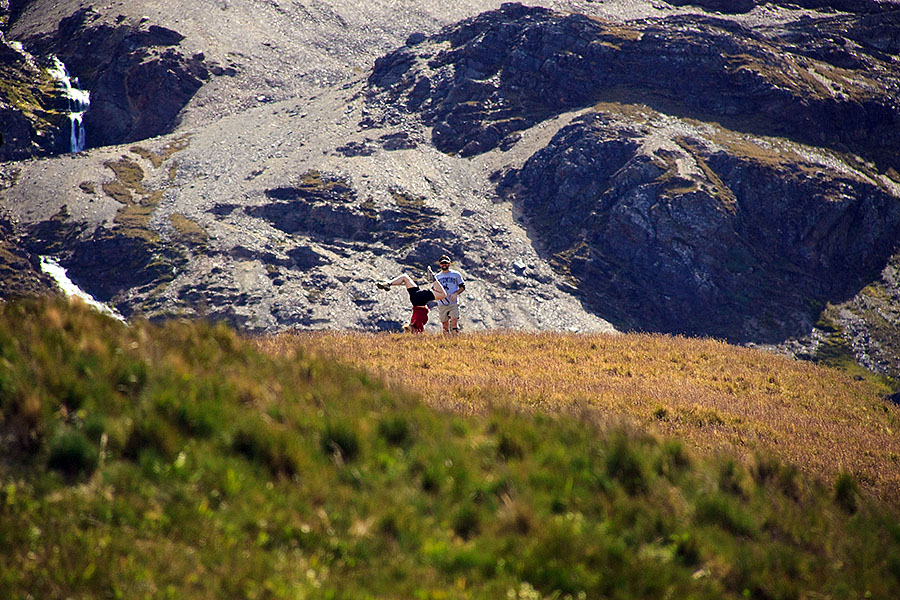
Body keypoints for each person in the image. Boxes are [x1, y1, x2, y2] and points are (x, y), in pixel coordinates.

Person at [377, 271, 447, 333]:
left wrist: (421, 335)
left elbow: (421, 331)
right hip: (414, 298)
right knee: (405, 277)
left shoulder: (417, 324)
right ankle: (388, 283)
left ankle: (433, 279)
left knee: (443, 294)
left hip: (421, 300)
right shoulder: (413, 321)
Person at [434, 254, 465, 334]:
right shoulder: (437, 277)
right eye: (442, 263)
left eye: (446, 263)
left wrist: (455, 294)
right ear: (440, 264)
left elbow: (462, 287)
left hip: (453, 302)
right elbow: (434, 289)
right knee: (445, 324)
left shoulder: (456, 274)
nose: (444, 265)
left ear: (449, 263)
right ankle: (447, 341)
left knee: (454, 321)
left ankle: (455, 339)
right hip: (442, 303)